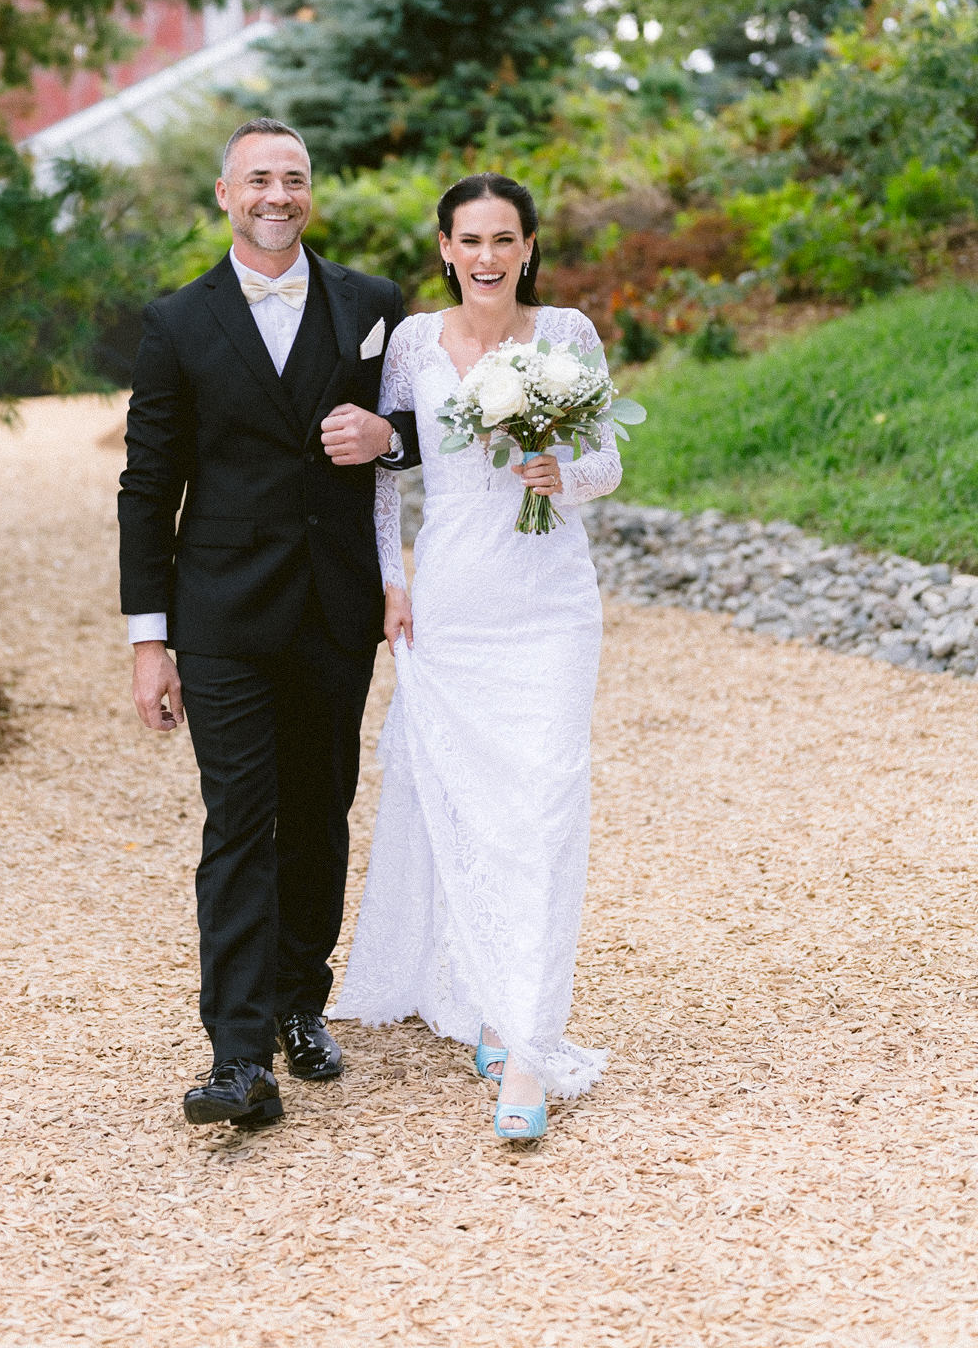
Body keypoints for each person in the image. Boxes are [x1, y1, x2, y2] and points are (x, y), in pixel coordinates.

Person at [118, 119, 421, 1129]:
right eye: (257, 179)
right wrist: (147, 638)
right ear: (222, 194)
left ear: (311, 194)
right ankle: (238, 1055)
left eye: (292, 178)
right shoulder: (175, 324)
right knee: (238, 823)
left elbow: (436, 423)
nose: (276, 195)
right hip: (222, 618)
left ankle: (300, 999)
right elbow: (146, 486)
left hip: (335, 612)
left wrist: (389, 437)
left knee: (317, 815)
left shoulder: (374, 307)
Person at [331, 172, 619, 1140]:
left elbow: (607, 461)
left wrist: (560, 472)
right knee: (462, 800)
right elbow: (383, 472)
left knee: (542, 806)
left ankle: (526, 1047)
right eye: (470, 241)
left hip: (548, 604)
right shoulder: (414, 344)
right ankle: (482, 987)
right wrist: (391, 579)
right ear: (445, 249)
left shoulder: (566, 335)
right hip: (450, 600)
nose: (488, 257)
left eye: (506, 240)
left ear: (528, 248)